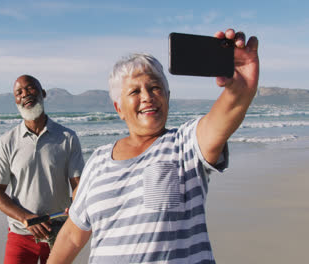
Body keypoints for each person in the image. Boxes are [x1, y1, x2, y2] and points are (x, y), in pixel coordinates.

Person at [48, 28, 259, 263]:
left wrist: (240, 87)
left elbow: (225, 115)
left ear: (167, 96)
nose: (147, 96)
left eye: (155, 87)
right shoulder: (98, 161)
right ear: (119, 108)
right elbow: (72, 237)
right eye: (135, 91)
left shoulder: (186, 143)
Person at [0, 75, 85, 264]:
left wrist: (77, 203)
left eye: (30, 88)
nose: (25, 94)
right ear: (15, 100)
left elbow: (78, 185)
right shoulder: (7, 141)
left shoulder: (68, 137)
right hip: (21, 235)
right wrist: (26, 218)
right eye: (19, 92)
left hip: (59, 233)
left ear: (43, 93)